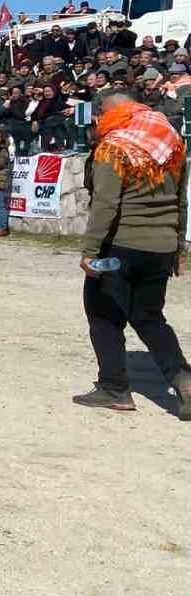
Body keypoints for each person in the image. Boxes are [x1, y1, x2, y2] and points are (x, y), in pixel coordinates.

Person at [74, 89, 190, 417]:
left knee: (103, 314)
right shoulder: (171, 144)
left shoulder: (114, 147)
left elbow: (106, 204)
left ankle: (114, 388)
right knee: (150, 317)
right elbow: (181, 201)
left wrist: (90, 251)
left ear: (109, 112)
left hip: (118, 248)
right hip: (161, 248)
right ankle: (183, 379)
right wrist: (178, 247)